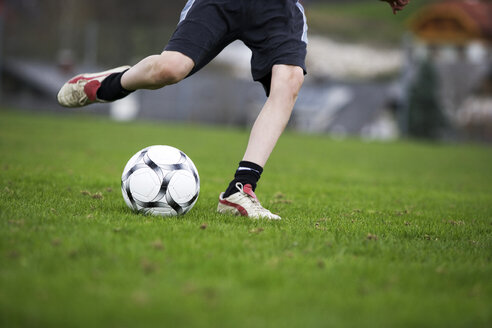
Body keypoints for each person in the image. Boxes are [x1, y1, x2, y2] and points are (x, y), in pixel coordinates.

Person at [57, 0, 410, 220]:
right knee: (171, 69)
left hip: (277, 7)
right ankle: (108, 85)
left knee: (288, 82)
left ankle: (240, 189)